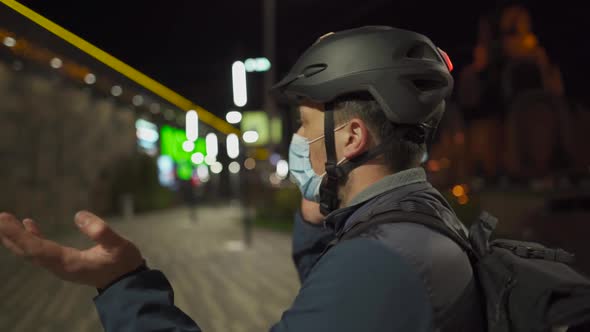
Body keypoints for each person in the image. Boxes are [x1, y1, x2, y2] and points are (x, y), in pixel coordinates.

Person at [0, 26, 484, 331]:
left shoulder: (378, 263)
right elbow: (331, 295)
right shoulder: (422, 221)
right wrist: (319, 210)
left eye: (305, 124)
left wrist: (122, 283)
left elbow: (350, 287)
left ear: (352, 137)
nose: (296, 138)